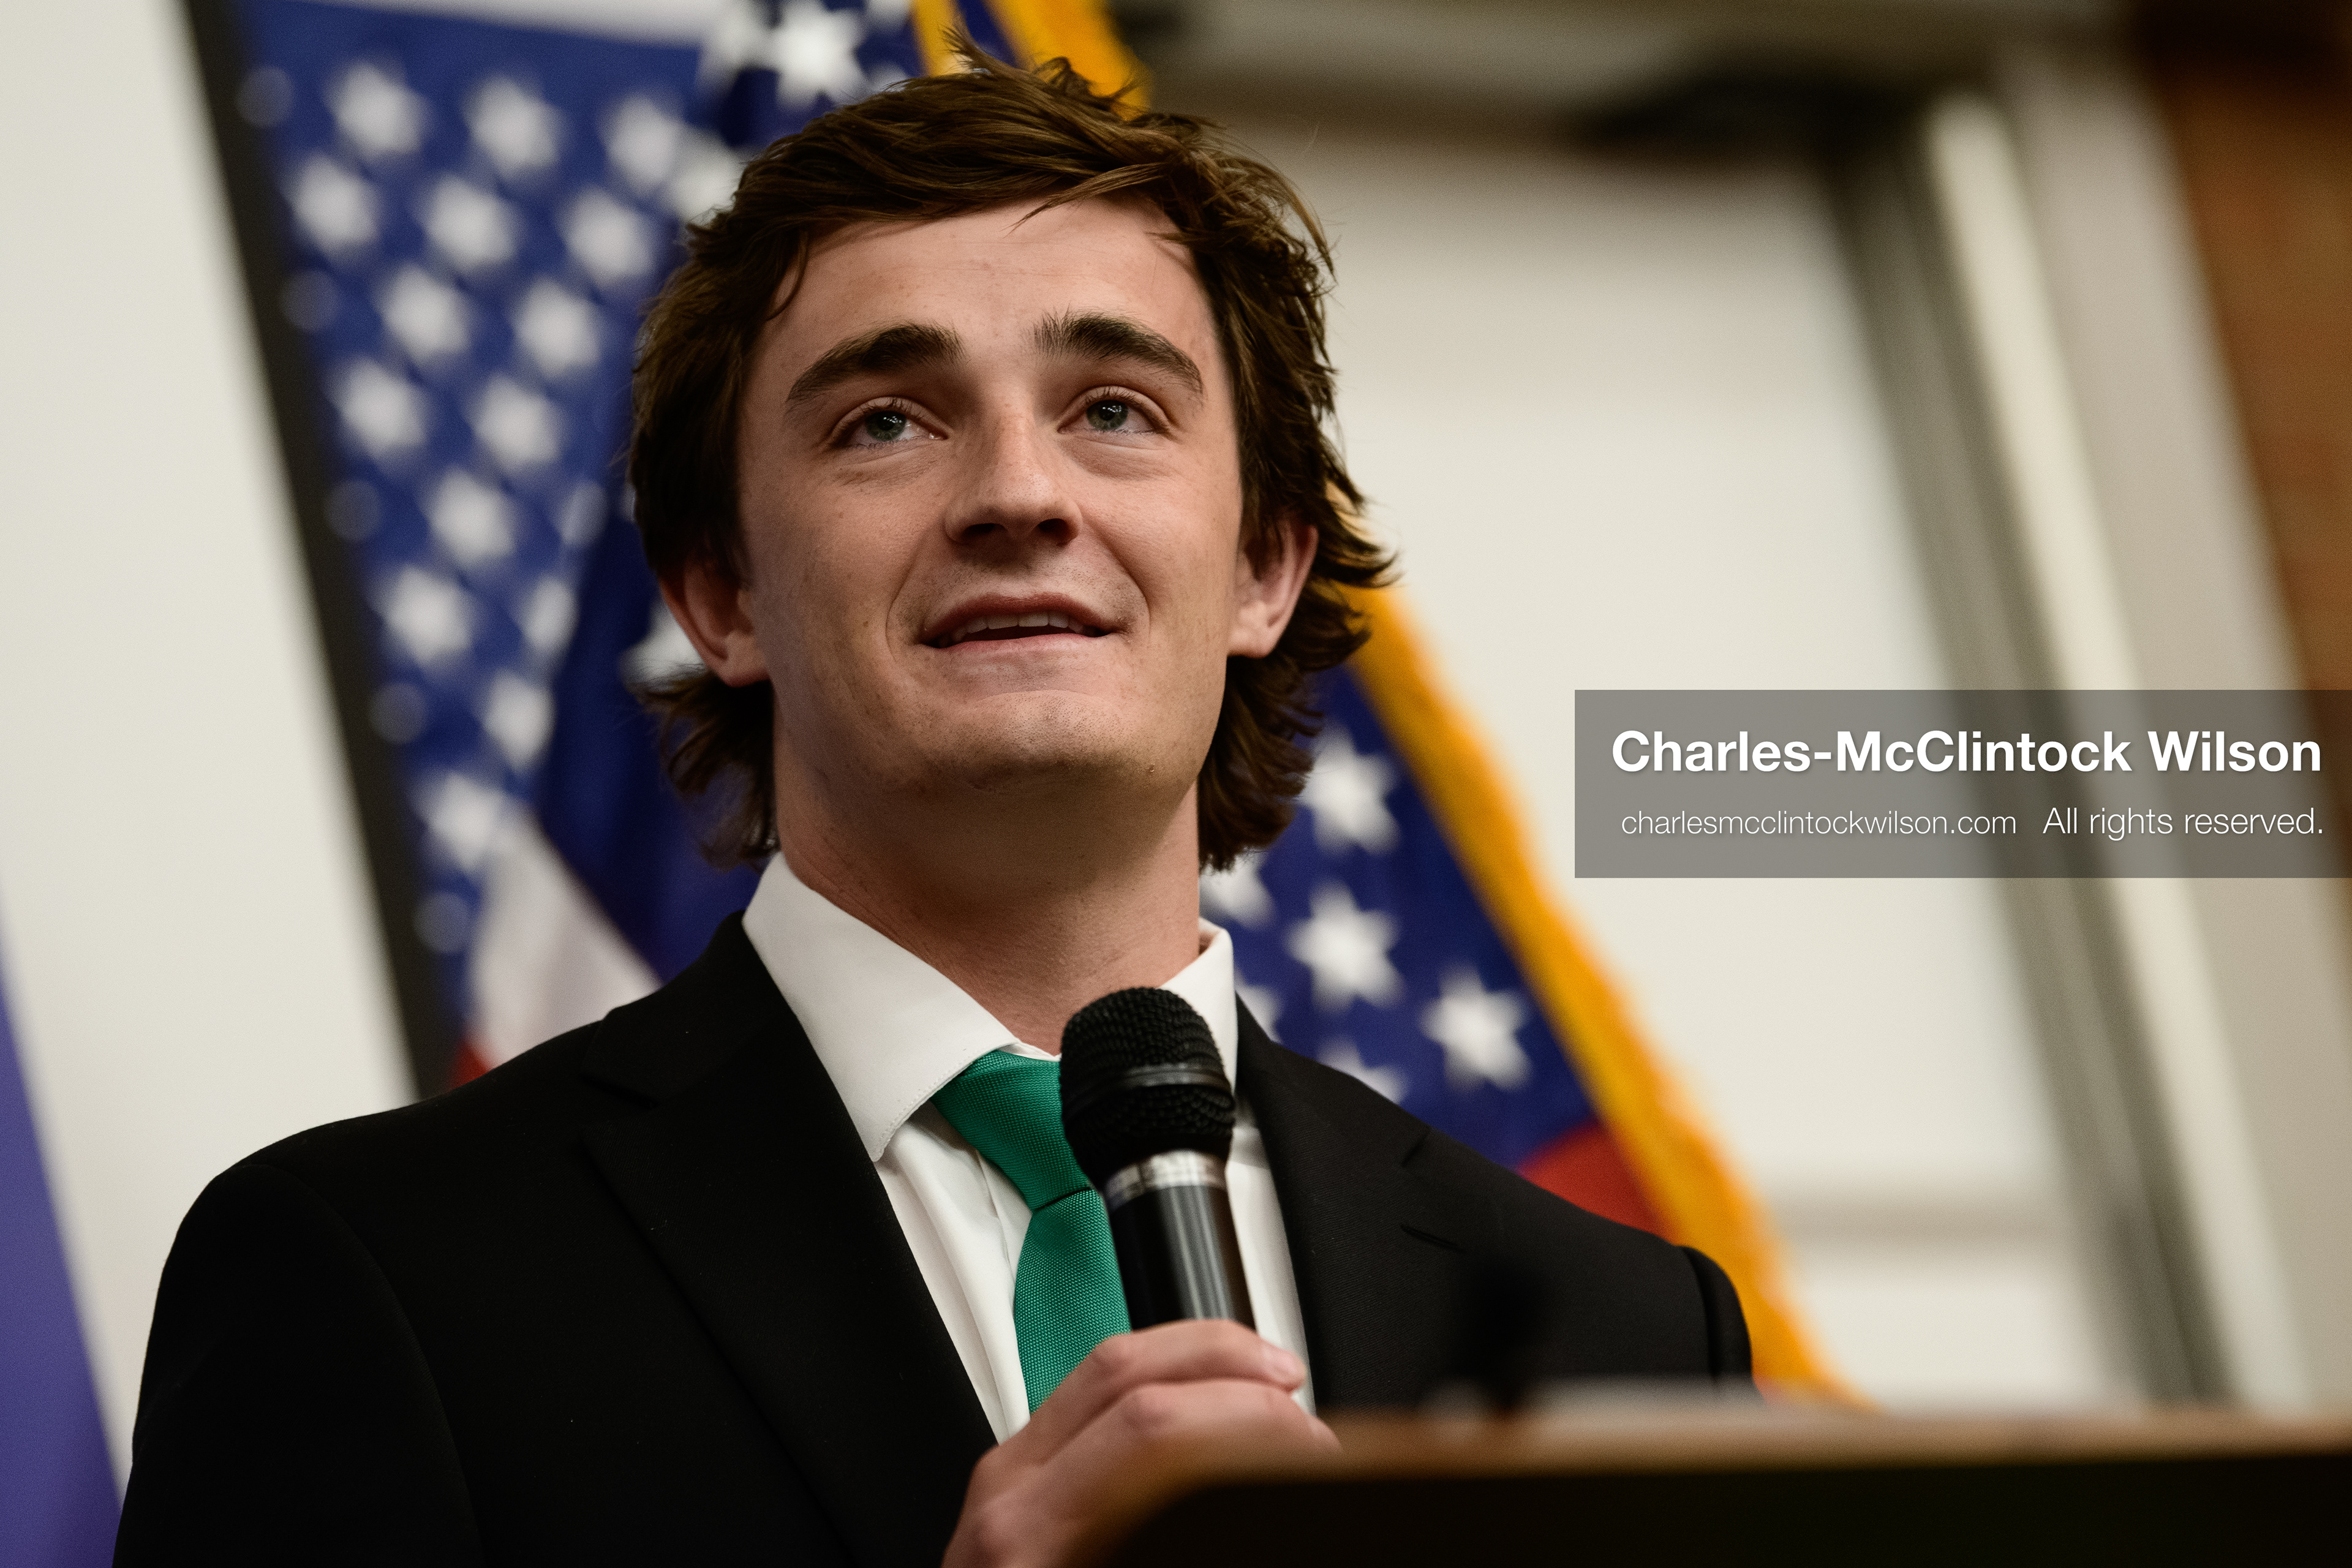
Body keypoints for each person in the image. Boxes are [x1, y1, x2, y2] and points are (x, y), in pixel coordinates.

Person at [115, 50, 1750, 1568]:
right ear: (720, 596)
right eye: (886, 421)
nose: (1021, 495)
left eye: (1114, 410)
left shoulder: (1634, 1333)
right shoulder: (373, 1272)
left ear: (1265, 565)